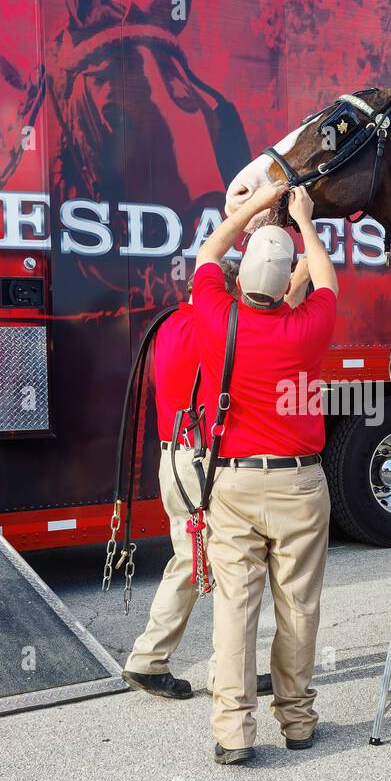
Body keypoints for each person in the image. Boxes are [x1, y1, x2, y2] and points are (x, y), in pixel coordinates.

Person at [192, 180, 337, 765]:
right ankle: (297, 721)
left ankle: (233, 731)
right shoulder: (305, 328)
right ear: (287, 289)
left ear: (239, 276)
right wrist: (303, 219)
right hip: (300, 485)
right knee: (298, 607)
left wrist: (253, 207)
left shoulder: (214, 315)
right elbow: (324, 279)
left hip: (233, 482)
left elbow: (207, 254)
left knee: (235, 609)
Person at [122, 260, 274, 701]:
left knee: (191, 561)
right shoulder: (210, 329)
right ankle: (190, 666)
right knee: (228, 565)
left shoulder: (168, 325)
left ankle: (160, 660)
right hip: (200, 461)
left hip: (173, 457)